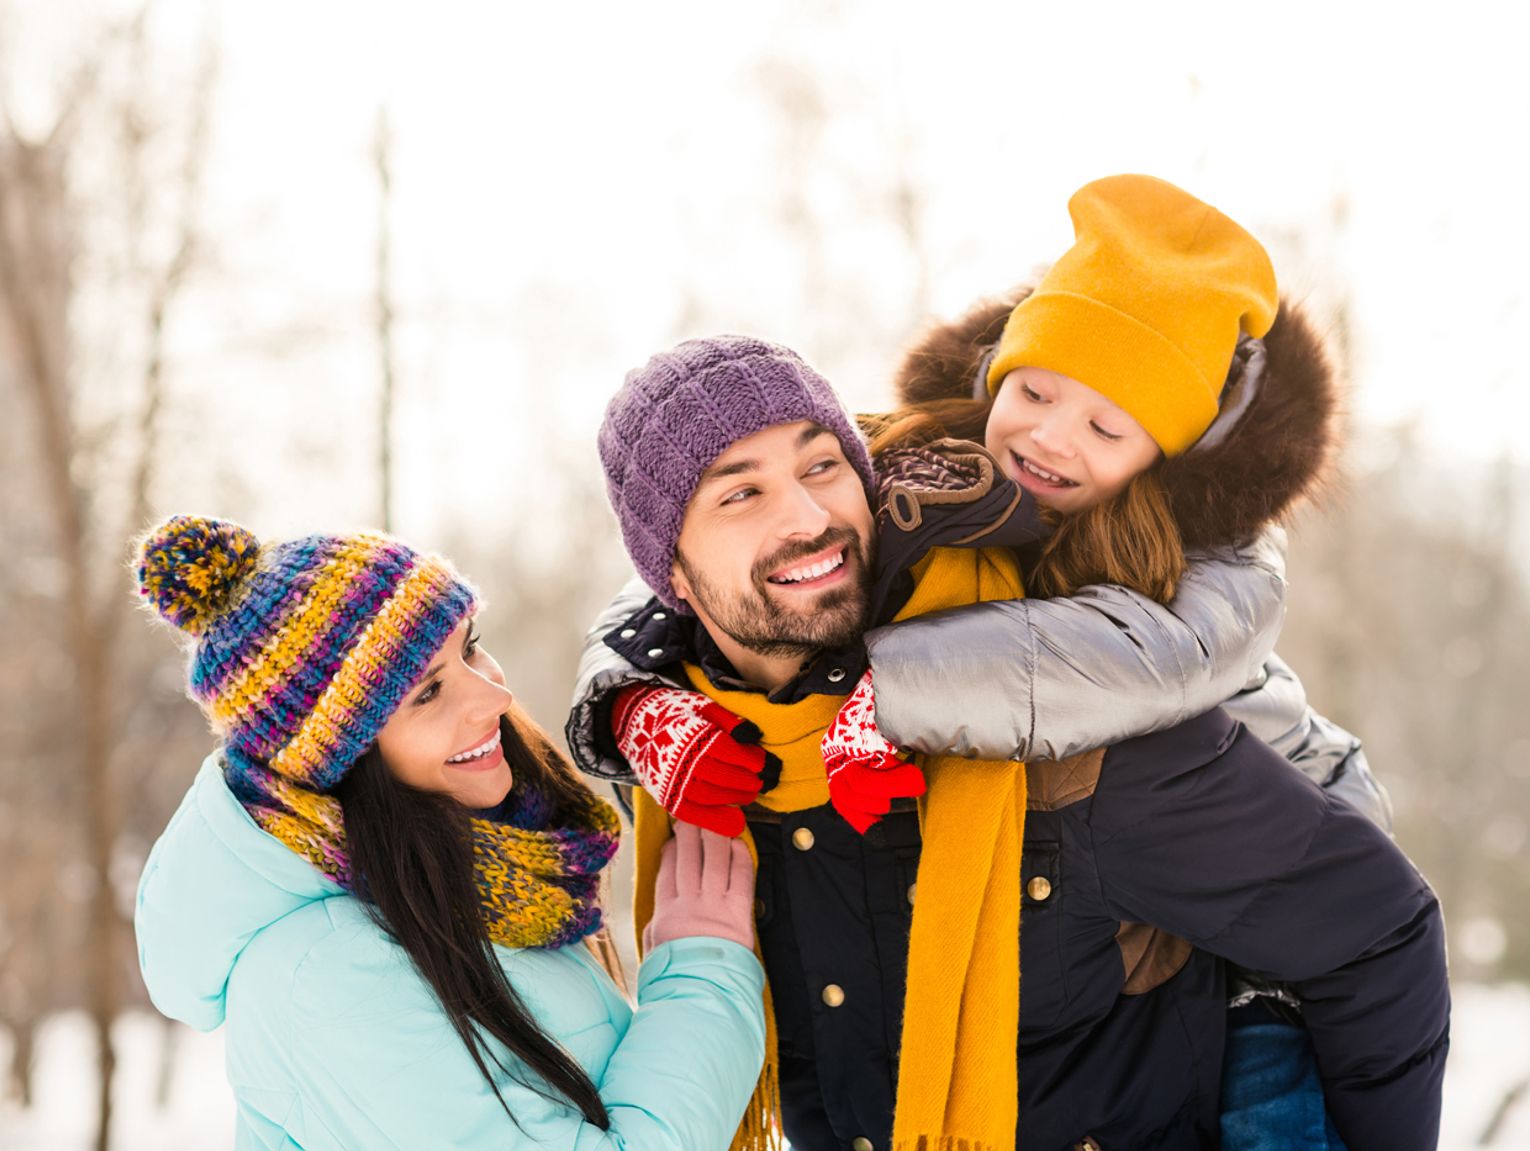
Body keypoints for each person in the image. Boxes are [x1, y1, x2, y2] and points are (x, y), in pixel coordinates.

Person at [567, 177, 1446, 1151]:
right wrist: (630, 697)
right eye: (1033, 393)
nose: (1049, 438)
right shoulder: (921, 496)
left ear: (1163, 454)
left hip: (1283, 815)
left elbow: (1155, 672)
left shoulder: (1181, 588)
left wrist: (894, 693)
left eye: (1108, 428)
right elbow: (676, 597)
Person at [132, 515, 766, 1150]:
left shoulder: (475, 882)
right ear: (338, 763)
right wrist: (701, 976)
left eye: (469, 647)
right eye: (428, 693)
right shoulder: (326, 979)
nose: (494, 696)